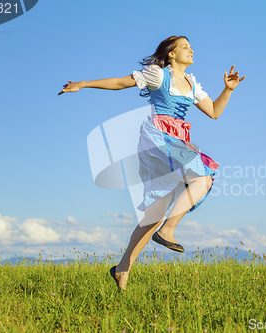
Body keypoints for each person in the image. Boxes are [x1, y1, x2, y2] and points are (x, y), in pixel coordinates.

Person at [58, 36, 245, 291]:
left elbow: (213, 111)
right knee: (203, 177)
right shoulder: (158, 75)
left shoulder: (192, 83)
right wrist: (83, 84)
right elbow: (120, 83)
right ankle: (168, 230)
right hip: (158, 138)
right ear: (170, 54)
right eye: (184, 47)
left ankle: (122, 269)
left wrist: (229, 90)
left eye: (191, 47)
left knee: (154, 214)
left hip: (178, 141)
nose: (191, 50)